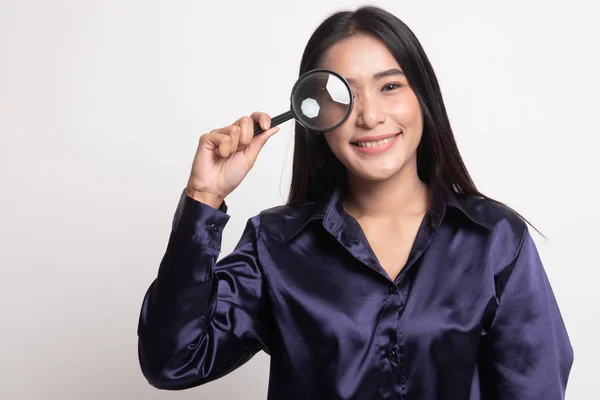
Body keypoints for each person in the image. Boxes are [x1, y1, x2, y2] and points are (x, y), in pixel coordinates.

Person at [137, 5, 573, 399]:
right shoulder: (275, 244)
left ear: (422, 96)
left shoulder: (494, 239)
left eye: (390, 86)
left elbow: (535, 387)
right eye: (342, 95)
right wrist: (204, 197)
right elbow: (173, 361)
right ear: (316, 117)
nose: (368, 116)